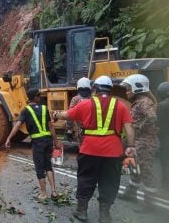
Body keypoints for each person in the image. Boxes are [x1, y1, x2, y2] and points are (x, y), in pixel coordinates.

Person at [53, 75, 134, 223]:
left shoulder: (86, 104)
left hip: (89, 150)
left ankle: (81, 212)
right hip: (113, 152)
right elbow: (129, 128)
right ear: (110, 89)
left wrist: (56, 114)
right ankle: (104, 215)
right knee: (109, 181)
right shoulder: (121, 106)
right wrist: (131, 146)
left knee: (86, 179)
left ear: (95, 89)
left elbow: (67, 115)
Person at [5, 88, 61, 201]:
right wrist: (56, 142)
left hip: (38, 143)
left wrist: (9, 138)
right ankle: (54, 192)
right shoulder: (45, 108)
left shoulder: (25, 111)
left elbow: (17, 125)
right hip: (48, 141)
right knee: (48, 166)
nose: (40, 97)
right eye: (38, 95)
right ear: (34, 97)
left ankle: (44, 194)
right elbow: (51, 127)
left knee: (40, 168)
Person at [118, 74, 160, 213]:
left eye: (128, 89)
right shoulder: (139, 101)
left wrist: (137, 127)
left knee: (147, 172)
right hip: (139, 142)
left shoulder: (144, 102)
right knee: (135, 169)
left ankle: (150, 205)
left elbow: (152, 118)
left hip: (145, 143)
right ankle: (130, 194)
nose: (126, 92)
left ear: (137, 87)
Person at [65, 77, 92, 142]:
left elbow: (70, 116)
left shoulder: (75, 99)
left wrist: (69, 131)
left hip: (80, 131)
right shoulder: (93, 99)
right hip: (93, 131)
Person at [157, 82, 169, 191]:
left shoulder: (162, 106)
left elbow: (160, 125)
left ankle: (166, 186)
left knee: (165, 163)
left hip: (166, 139)